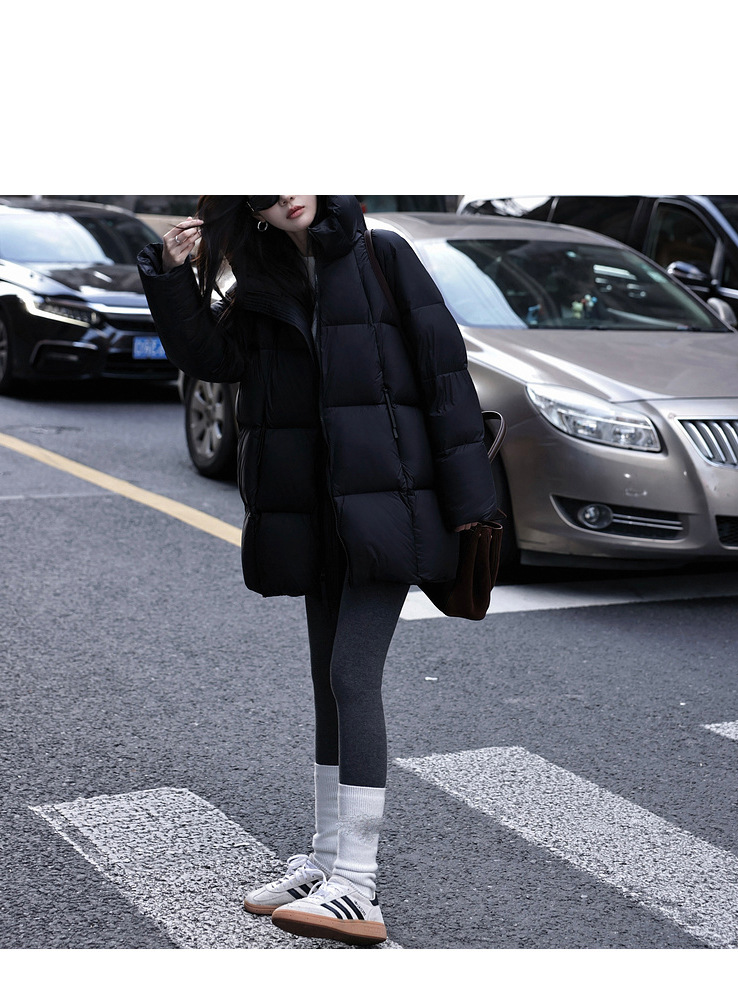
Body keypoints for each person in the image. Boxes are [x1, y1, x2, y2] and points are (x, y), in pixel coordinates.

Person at [137, 195, 497, 947]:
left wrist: (472, 506)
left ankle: (357, 884)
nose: (286, 193)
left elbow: (445, 375)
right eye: (264, 190)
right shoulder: (263, 282)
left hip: (389, 508)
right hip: (314, 513)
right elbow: (213, 360)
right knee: (326, 682)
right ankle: (328, 860)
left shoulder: (382, 255)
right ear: (252, 210)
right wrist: (169, 276)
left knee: (351, 677)